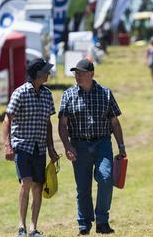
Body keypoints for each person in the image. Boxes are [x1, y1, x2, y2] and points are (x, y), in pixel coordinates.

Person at [58, 58, 126, 235]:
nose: (77, 76)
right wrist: (67, 146)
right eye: (75, 73)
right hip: (78, 145)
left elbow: (114, 122)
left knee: (105, 179)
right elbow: (62, 124)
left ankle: (102, 221)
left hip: (102, 142)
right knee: (83, 187)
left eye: (81, 72)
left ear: (91, 74)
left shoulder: (105, 93)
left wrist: (121, 146)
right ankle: (84, 223)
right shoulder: (68, 95)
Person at [3, 58, 59, 237]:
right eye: (45, 71)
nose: (48, 74)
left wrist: (51, 147)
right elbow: (7, 119)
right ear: (37, 74)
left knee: (38, 187)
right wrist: (7, 145)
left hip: (40, 148)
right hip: (22, 146)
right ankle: (21, 227)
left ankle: (33, 228)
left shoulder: (47, 94)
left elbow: (48, 123)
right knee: (26, 183)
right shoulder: (19, 93)